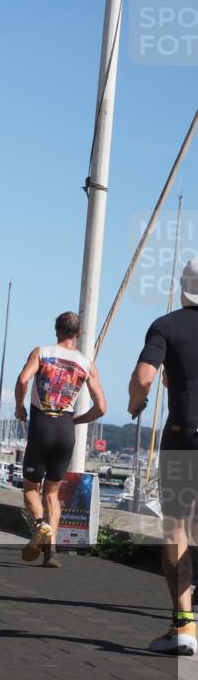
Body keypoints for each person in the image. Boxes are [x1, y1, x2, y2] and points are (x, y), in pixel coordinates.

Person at [128, 259, 198, 655]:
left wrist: (135, 402)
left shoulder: (167, 325)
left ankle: (184, 628)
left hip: (184, 438)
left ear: (183, 288)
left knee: (176, 532)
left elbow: (144, 377)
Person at [14, 311, 106, 569]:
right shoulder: (87, 364)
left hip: (42, 424)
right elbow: (101, 407)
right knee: (52, 493)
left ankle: (40, 525)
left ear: (57, 330)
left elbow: (23, 379)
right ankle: (50, 553)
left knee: (31, 488)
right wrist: (76, 420)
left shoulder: (41, 353)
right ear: (78, 334)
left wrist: (19, 406)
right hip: (66, 428)